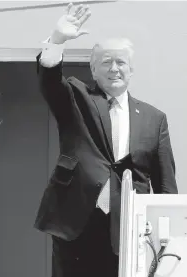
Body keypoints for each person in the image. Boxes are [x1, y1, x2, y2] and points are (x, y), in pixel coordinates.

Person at [34, 3, 178, 277]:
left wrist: (166, 234)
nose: (114, 68)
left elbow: (164, 183)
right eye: (106, 62)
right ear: (93, 68)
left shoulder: (154, 118)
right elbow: (50, 82)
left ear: (131, 70)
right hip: (75, 223)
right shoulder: (77, 97)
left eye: (120, 62)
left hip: (129, 228)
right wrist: (57, 40)